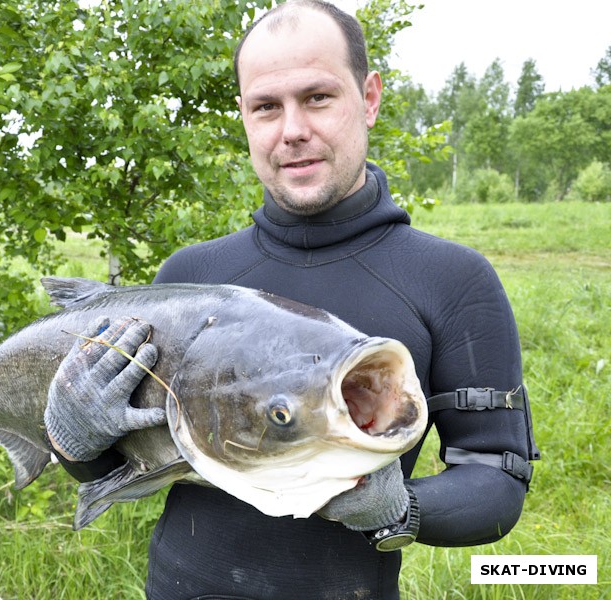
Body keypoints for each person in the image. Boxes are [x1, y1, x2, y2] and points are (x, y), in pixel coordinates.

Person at [44, 1, 539, 598]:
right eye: (266, 107)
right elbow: (116, 464)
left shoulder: (453, 281)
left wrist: (401, 508)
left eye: (318, 97)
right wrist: (72, 437)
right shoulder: (190, 276)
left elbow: (496, 481)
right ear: (245, 118)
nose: (292, 129)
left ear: (370, 98)